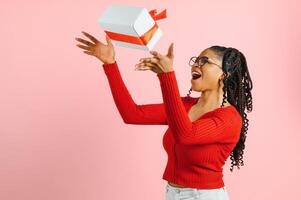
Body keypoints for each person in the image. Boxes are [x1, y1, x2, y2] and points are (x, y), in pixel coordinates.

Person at [75, 31, 253, 200]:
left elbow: (186, 134)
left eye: (205, 61)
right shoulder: (184, 105)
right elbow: (132, 114)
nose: (196, 64)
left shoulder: (229, 119)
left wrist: (167, 76)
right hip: (172, 194)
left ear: (224, 74)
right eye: (196, 60)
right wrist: (110, 63)